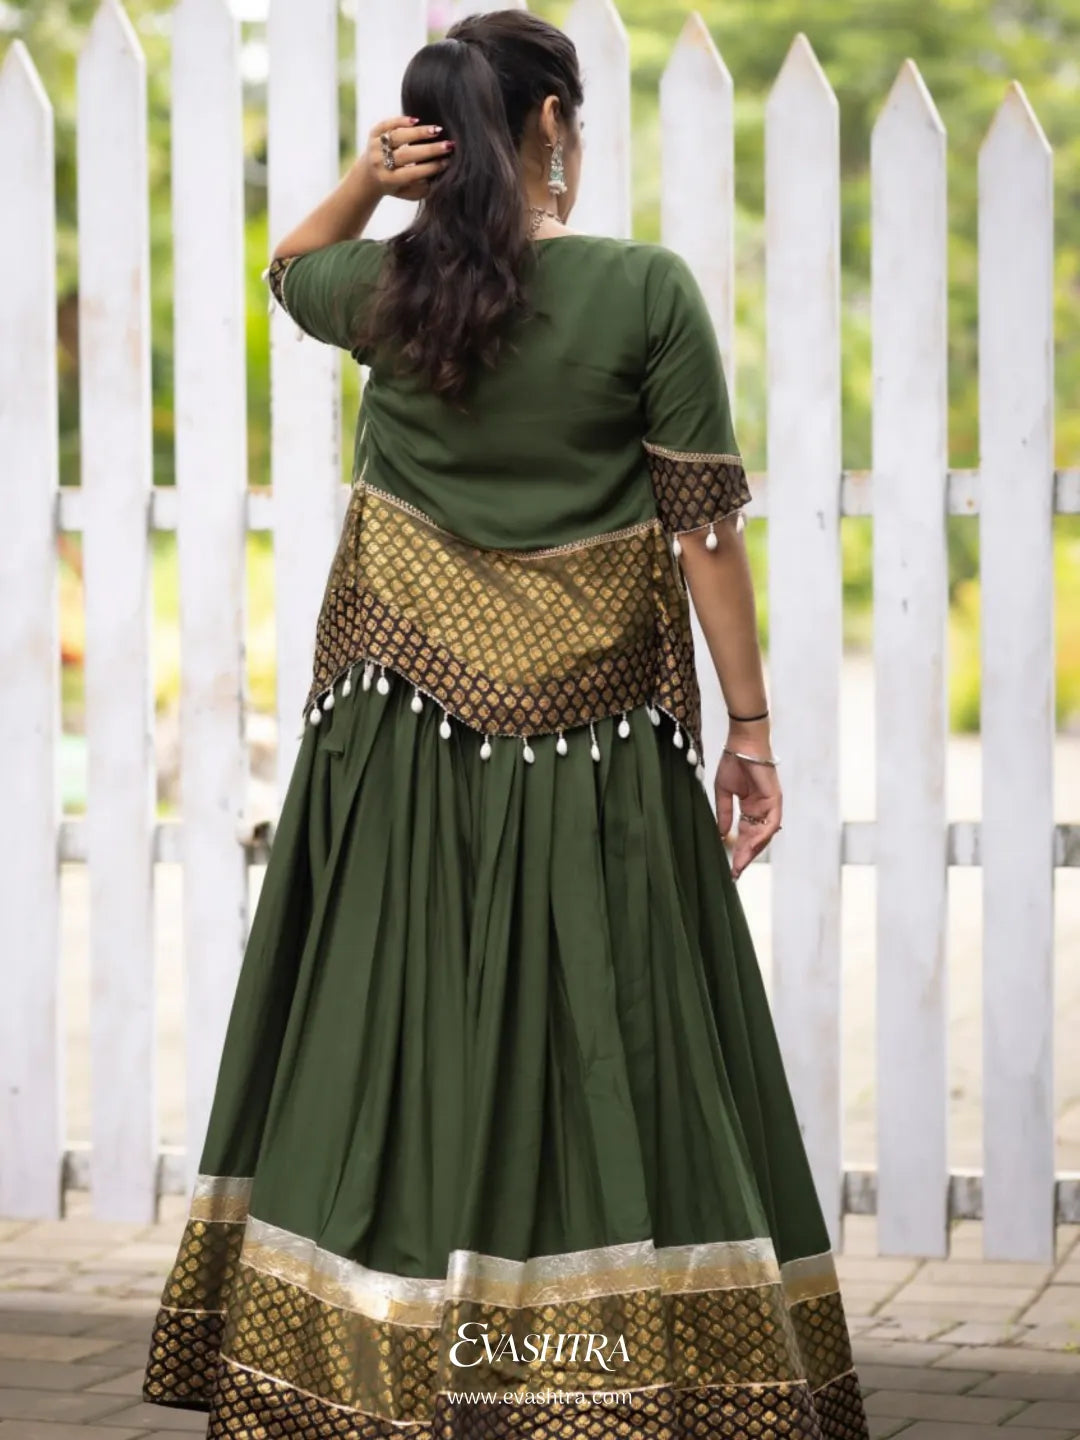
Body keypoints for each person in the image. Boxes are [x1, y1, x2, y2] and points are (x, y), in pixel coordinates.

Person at [142, 11, 869, 1439]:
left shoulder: (385, 291)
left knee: (394, 1037)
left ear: (435, 148)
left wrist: (368, 181)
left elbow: (285, 267)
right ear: (550, 127)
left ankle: (368, 1361)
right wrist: (754, 730)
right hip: (595, 746)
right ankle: (611, 1370)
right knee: (615, 1038)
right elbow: (704, 533)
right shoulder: (643, 290)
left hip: (399, 746)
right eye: (574, 125)